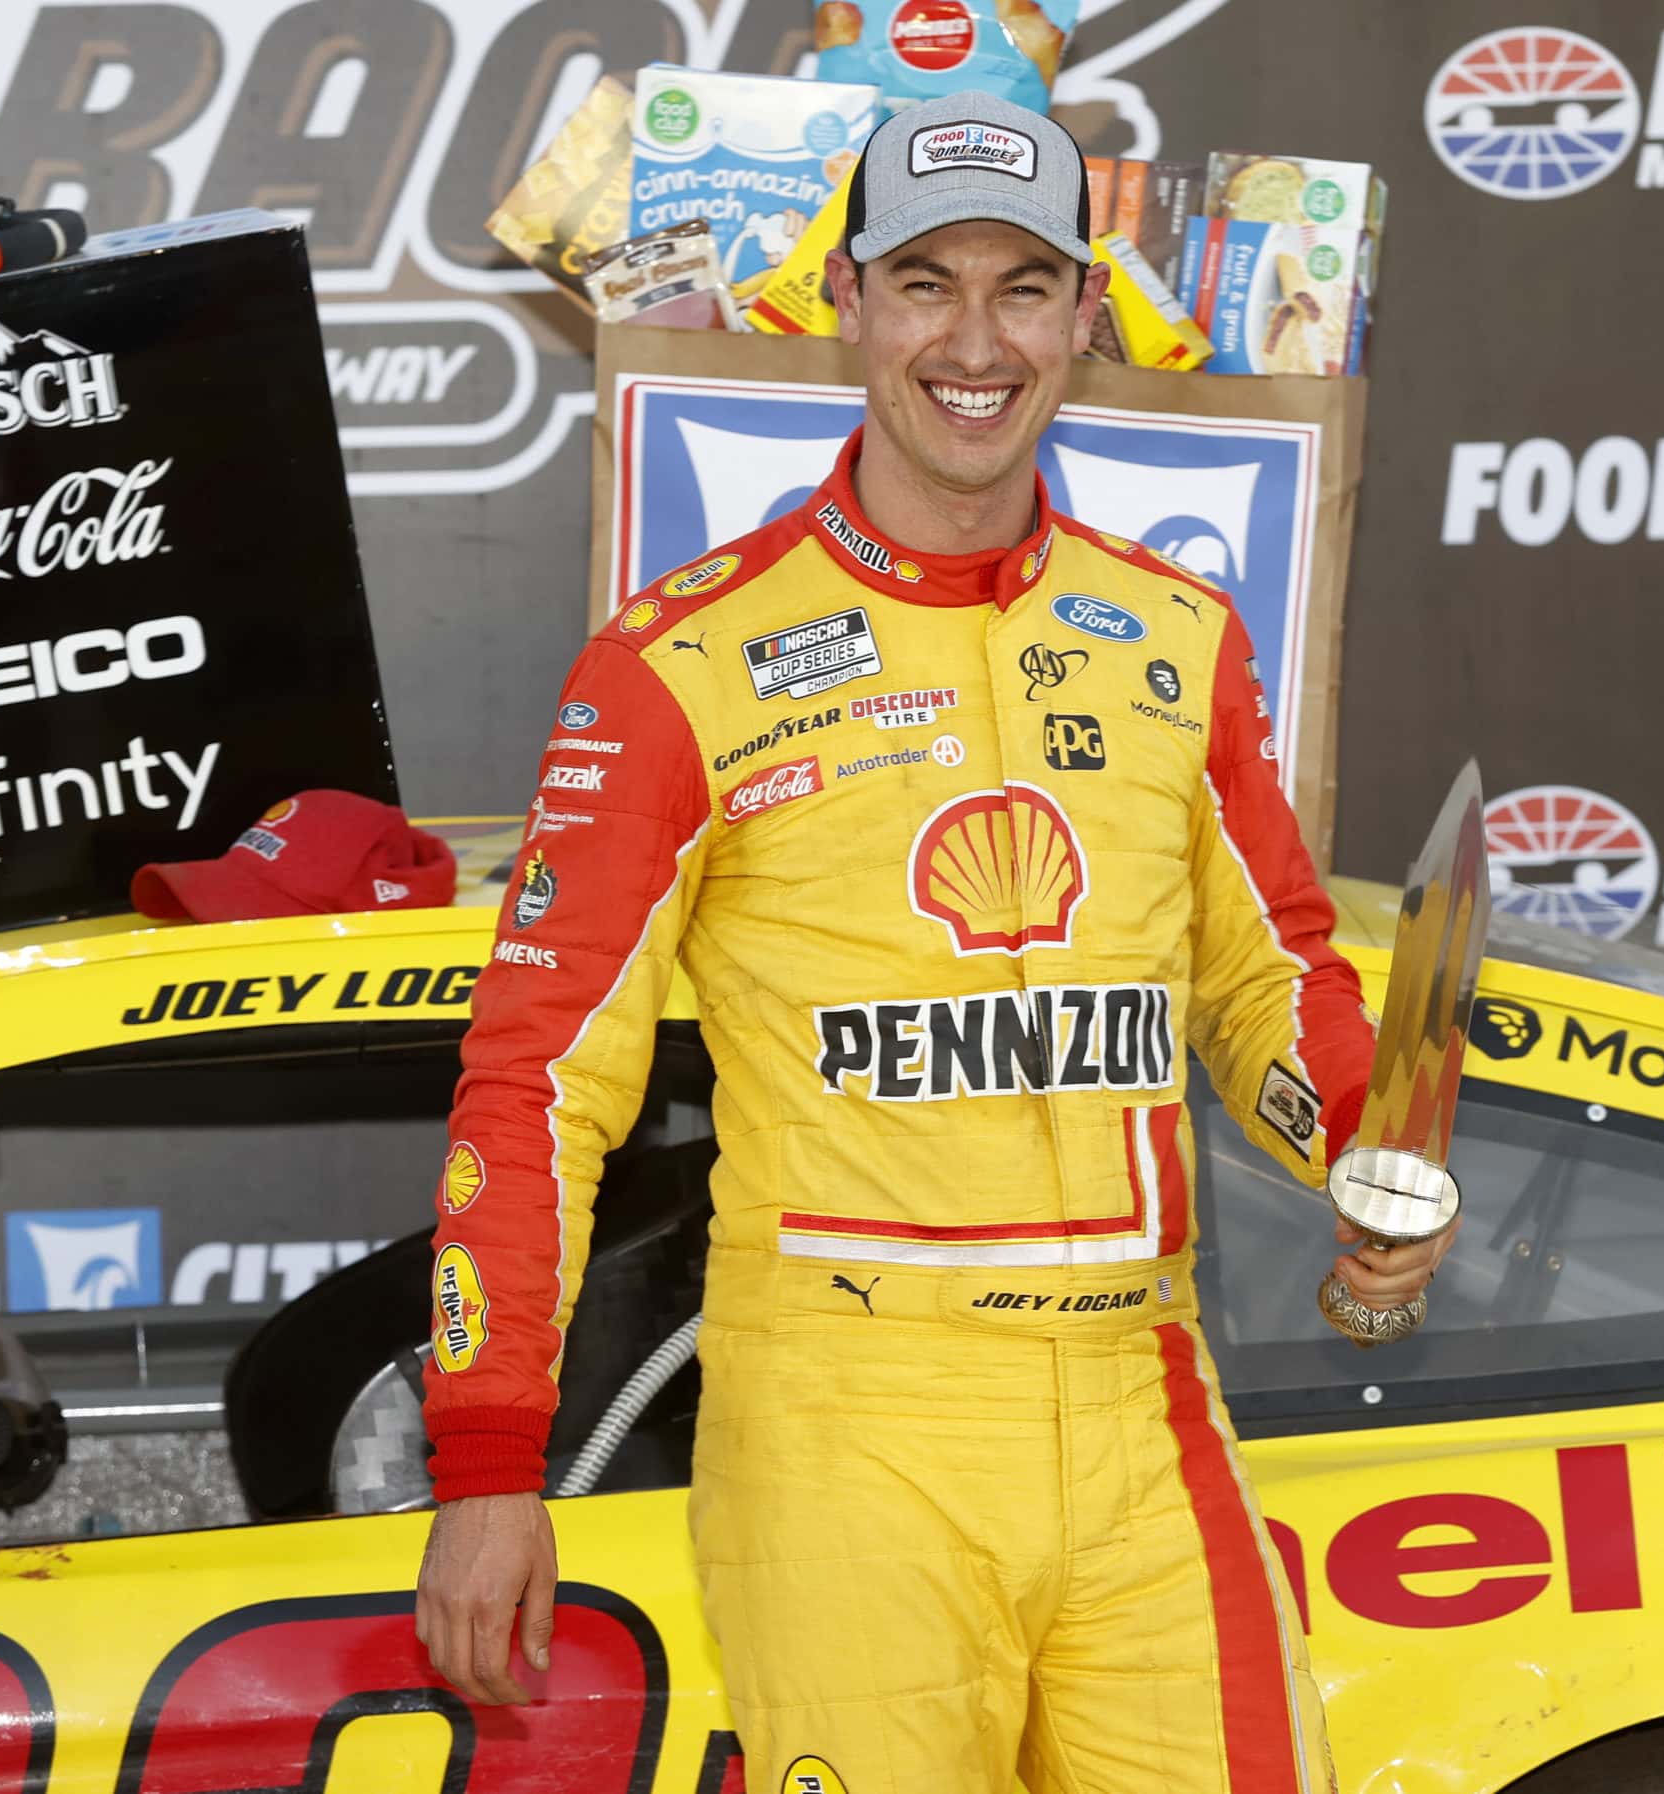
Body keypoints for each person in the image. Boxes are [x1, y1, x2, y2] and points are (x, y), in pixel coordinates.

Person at [414, 89, 1455, 1794]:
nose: (975, 341)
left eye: (1025, 286)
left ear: (1084, 319)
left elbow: (1265, 979)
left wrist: (1352, 1149)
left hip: (1141, 1390)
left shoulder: (1179, 635)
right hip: (847, 1419)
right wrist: (484, 1458)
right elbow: (540, 1086)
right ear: (849, 303)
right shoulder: (676, 666)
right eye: (925, 283)